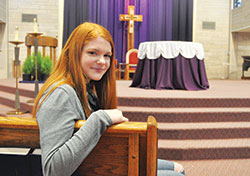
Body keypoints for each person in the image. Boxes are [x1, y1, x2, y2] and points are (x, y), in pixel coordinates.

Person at [33, 22, 185, 176]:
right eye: (93, 53)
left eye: (107, 55)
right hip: (85, 169)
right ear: (74, 53)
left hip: (93, 162)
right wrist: (101, 118)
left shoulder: (87, 89)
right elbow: (53, 171)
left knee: (177, 168)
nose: (102, 61)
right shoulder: (61, 94)